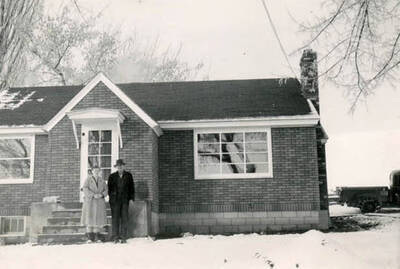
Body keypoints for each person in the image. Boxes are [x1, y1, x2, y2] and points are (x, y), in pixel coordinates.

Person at [108, 159, 135, 243]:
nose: (120, 167)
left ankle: (123, 237)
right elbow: (109, 189)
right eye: (118, 166)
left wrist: (131, 199)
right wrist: (112, 198)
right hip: (115, 201)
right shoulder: (112, 176)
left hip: (125, 201)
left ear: (124, 166)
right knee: (115, 219)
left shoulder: (128, 175)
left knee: (124, 218)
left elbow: (132, 188)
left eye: (121, 166)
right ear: (116, 167)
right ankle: (115, 237)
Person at [81, 166, 108, 243]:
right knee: (89, 218)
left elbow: (106, 190)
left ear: (100, 171)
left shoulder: (102, 181)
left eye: (98, 170)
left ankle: (97, 236)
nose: (96, 172)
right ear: (92, 171)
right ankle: (90, 237)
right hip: (90, 202)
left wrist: (102, 195)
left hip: (99, 202)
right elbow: (85, 188)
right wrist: (93, 195)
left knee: (98, 219)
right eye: (94, 170)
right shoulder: (88, 179)